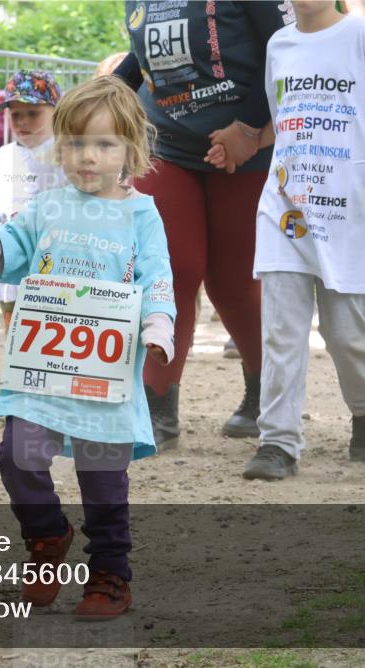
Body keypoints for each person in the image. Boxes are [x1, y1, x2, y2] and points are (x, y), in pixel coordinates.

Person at [0, 76, 176, 620]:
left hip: (105, 376)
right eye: (74, 144)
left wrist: (159, 327)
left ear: (131, 151)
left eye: (104, 145)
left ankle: (110, 574)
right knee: (15, 455)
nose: (87, 157)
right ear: (58, 145)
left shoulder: (143, 214)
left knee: (103, 479)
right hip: (40, 372)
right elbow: (1, 255)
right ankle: (47, 536)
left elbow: (159, 279)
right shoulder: (45, 208)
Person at [210, 0, 365, 480]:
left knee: (346, 333)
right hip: (285, 205)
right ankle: (278, 442)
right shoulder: (279, 44)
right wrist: (239, 140)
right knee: (281, 329)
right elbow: (281, 119)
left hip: (349, 209)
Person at [115, 0, 296, 448]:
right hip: (164, 142)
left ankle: (262, 393)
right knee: (170, 269)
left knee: (233, 282)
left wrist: (252, 128)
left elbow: (286, 47)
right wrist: (110, 90)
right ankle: (156, 405)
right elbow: (149, 57)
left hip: (245, 145)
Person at [0, 70, 68, 333]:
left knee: (54, 325)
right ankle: (14, 370)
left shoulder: (65, 154)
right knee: (15, 329)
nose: (23, 121)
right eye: (16, 115)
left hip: (54, 262)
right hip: (12, 261)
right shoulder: (4, 155)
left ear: (56, 113)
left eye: (33, 113)